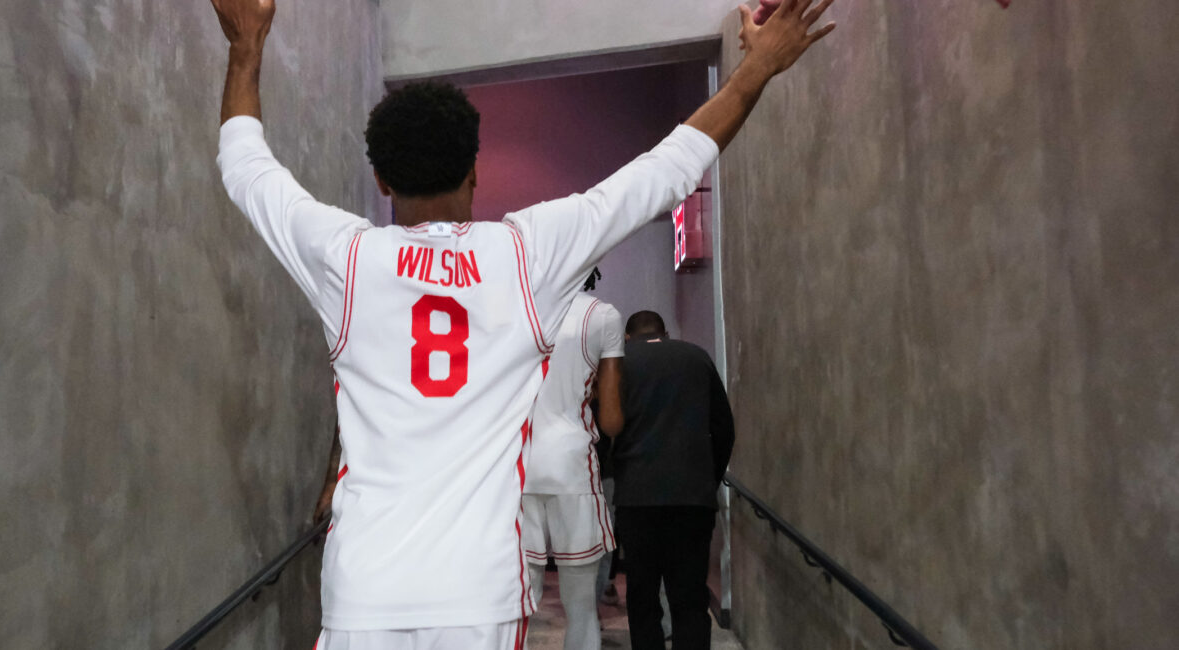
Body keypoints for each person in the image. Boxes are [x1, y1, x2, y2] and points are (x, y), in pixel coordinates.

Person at [208, 0, 836, 647]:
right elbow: (665, 172)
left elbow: (246, 167)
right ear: (475, 172)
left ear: (380, 179)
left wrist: (247, 47)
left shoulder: (344, 256)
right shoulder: (526, 253)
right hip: (479, 592)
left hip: (364, 588)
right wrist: (753, 71)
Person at [611, 311, 736, 650]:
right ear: (664, 333)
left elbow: (607, 427)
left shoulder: (619, 362)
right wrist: (706, 480)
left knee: (642, 595)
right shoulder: (697, 357)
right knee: (690, 598)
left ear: (626, 337)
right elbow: (724, 427)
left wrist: (616, 474)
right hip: (691, 499)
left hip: (636, 498)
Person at [519, 269, 624, 650]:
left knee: (517, 607)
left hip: (517, 470)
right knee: (580, 609)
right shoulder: (602, 316)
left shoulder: (511, 309)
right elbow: (611, 421)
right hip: (573, 470)